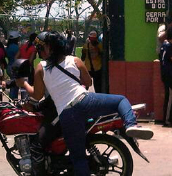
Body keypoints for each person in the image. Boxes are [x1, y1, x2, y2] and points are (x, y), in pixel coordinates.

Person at [25, 31, 153, 176]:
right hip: (85, 102)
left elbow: (37, 94)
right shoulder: (74, 60)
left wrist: (23, 84)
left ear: (49, 48)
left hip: (67, 115)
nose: (39, 52)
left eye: (40, 49)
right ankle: (130, 125)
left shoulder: (41, 67)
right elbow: (88, 82)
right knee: (121, 100)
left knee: (78, 158)